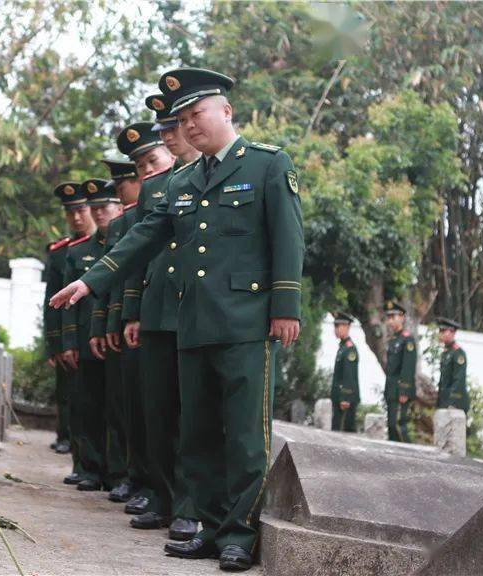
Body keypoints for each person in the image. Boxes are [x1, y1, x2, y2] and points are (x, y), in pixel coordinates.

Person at [51, 67, 304, 571]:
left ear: (225, 111)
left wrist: (285, 308)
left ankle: (238, 533)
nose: (189, 126)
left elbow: (288, 237)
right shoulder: (184, 179)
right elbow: (142, 236)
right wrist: (91, 280)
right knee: (198, 433)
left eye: (197, 114)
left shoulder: (267, 165)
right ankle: (207, 527)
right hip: (193, 323)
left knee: (244, 436)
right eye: (183, 119)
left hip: (245, 323)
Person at [118, 97, 200, 542]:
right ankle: (162, 496)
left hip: (192, 309)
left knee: (191, 413)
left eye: (176, 127)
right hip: (155, 310)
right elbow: (139, 253)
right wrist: (132, 311)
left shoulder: (206, 177)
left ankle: (187, 505)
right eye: (164, 128)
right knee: (157, 411)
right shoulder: (154, 188)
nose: (170, 134)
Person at [91, 159, 147, 505]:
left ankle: (140, 478)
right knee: (120, 405)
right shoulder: (123, 223)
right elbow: (110, 282)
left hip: (146, 320)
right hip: (125, 324)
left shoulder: (140, 219)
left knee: (142, 408)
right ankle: (123, 473)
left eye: (124, 183)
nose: (123, 188)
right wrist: (109, 323)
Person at [61, 178, 122, 491]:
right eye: (95, 209)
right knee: (87, 406)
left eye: (104, 208)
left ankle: (117, 472)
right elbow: (68, 305)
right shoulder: (80, 250)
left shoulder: (125, 244)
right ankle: (89, 467)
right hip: (87, 339)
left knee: (117, 409)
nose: (99, 215)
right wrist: (69, 341)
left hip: (117, 339)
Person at [49, 183, 98, 484]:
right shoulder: (62, 252)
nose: (77, 217)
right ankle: (81, 459)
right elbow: (53, 303)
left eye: (82, 210)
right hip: (74, 337)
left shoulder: (112, 242)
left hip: (102, 333)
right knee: (74, 399)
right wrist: (57, 344)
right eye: (71, 212)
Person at [383, 300, 417, 443]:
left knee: (398, 424)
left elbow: (408, 366)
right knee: (391, 427)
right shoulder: (393, 340)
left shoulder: (407, 340)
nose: (390, 321)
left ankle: (411, 456)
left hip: (400, 391)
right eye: (388, 317)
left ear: (402, 318)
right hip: (391, 390)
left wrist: (404, 390)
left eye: (394, 317)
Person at [330, 312, 360, 432]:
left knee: (344, 435)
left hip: (346, 399)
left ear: (347, 326)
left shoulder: (349, 348)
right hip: (339, 397)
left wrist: (345, 397)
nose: (336, 329)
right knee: (336, 431)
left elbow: (349, 375)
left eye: (339, 326)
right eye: (335, 326)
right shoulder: (342, 347)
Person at [436, 317, 468, 413]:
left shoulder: (458, 353)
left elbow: (459, 379)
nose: (440, 334)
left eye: (443, 331)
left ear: (452, 332)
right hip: (444, 401)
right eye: (440, 330)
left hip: (454, 404)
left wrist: (453, 402)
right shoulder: (446, 352)